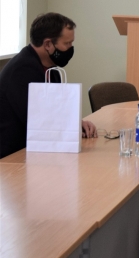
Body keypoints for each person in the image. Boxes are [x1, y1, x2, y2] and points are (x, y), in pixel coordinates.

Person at [0, 13, 97, 158]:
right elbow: (37, 120)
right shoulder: (22, 71)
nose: (71, 48)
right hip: (12, 155)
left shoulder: (51, 70)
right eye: (67, 43)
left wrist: (78, 123)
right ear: (47, 44)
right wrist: (72, 126)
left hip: (36, 150)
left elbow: (55, 112)